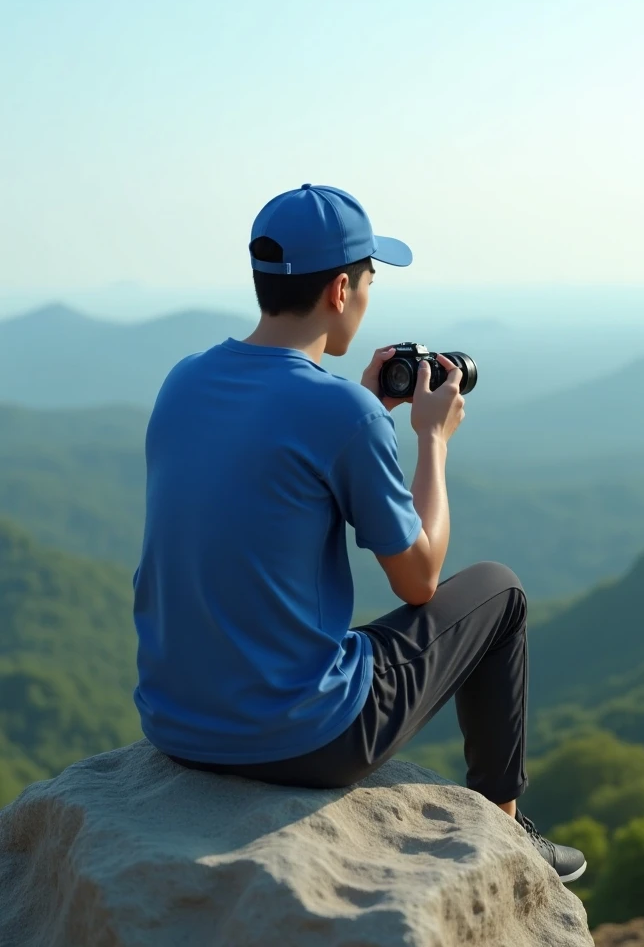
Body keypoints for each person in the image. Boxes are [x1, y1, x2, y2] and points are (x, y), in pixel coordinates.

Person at [132, 183, 586, 884]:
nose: (370, 293)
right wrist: (430, 439)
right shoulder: (340, 413)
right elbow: (419, 580)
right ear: (341, 290)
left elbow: (267, 478)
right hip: (301, 740)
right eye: (371, 278)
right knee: (501, 593)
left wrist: (367, 409)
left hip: (176, 724)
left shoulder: (183, 381)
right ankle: (504, 833)